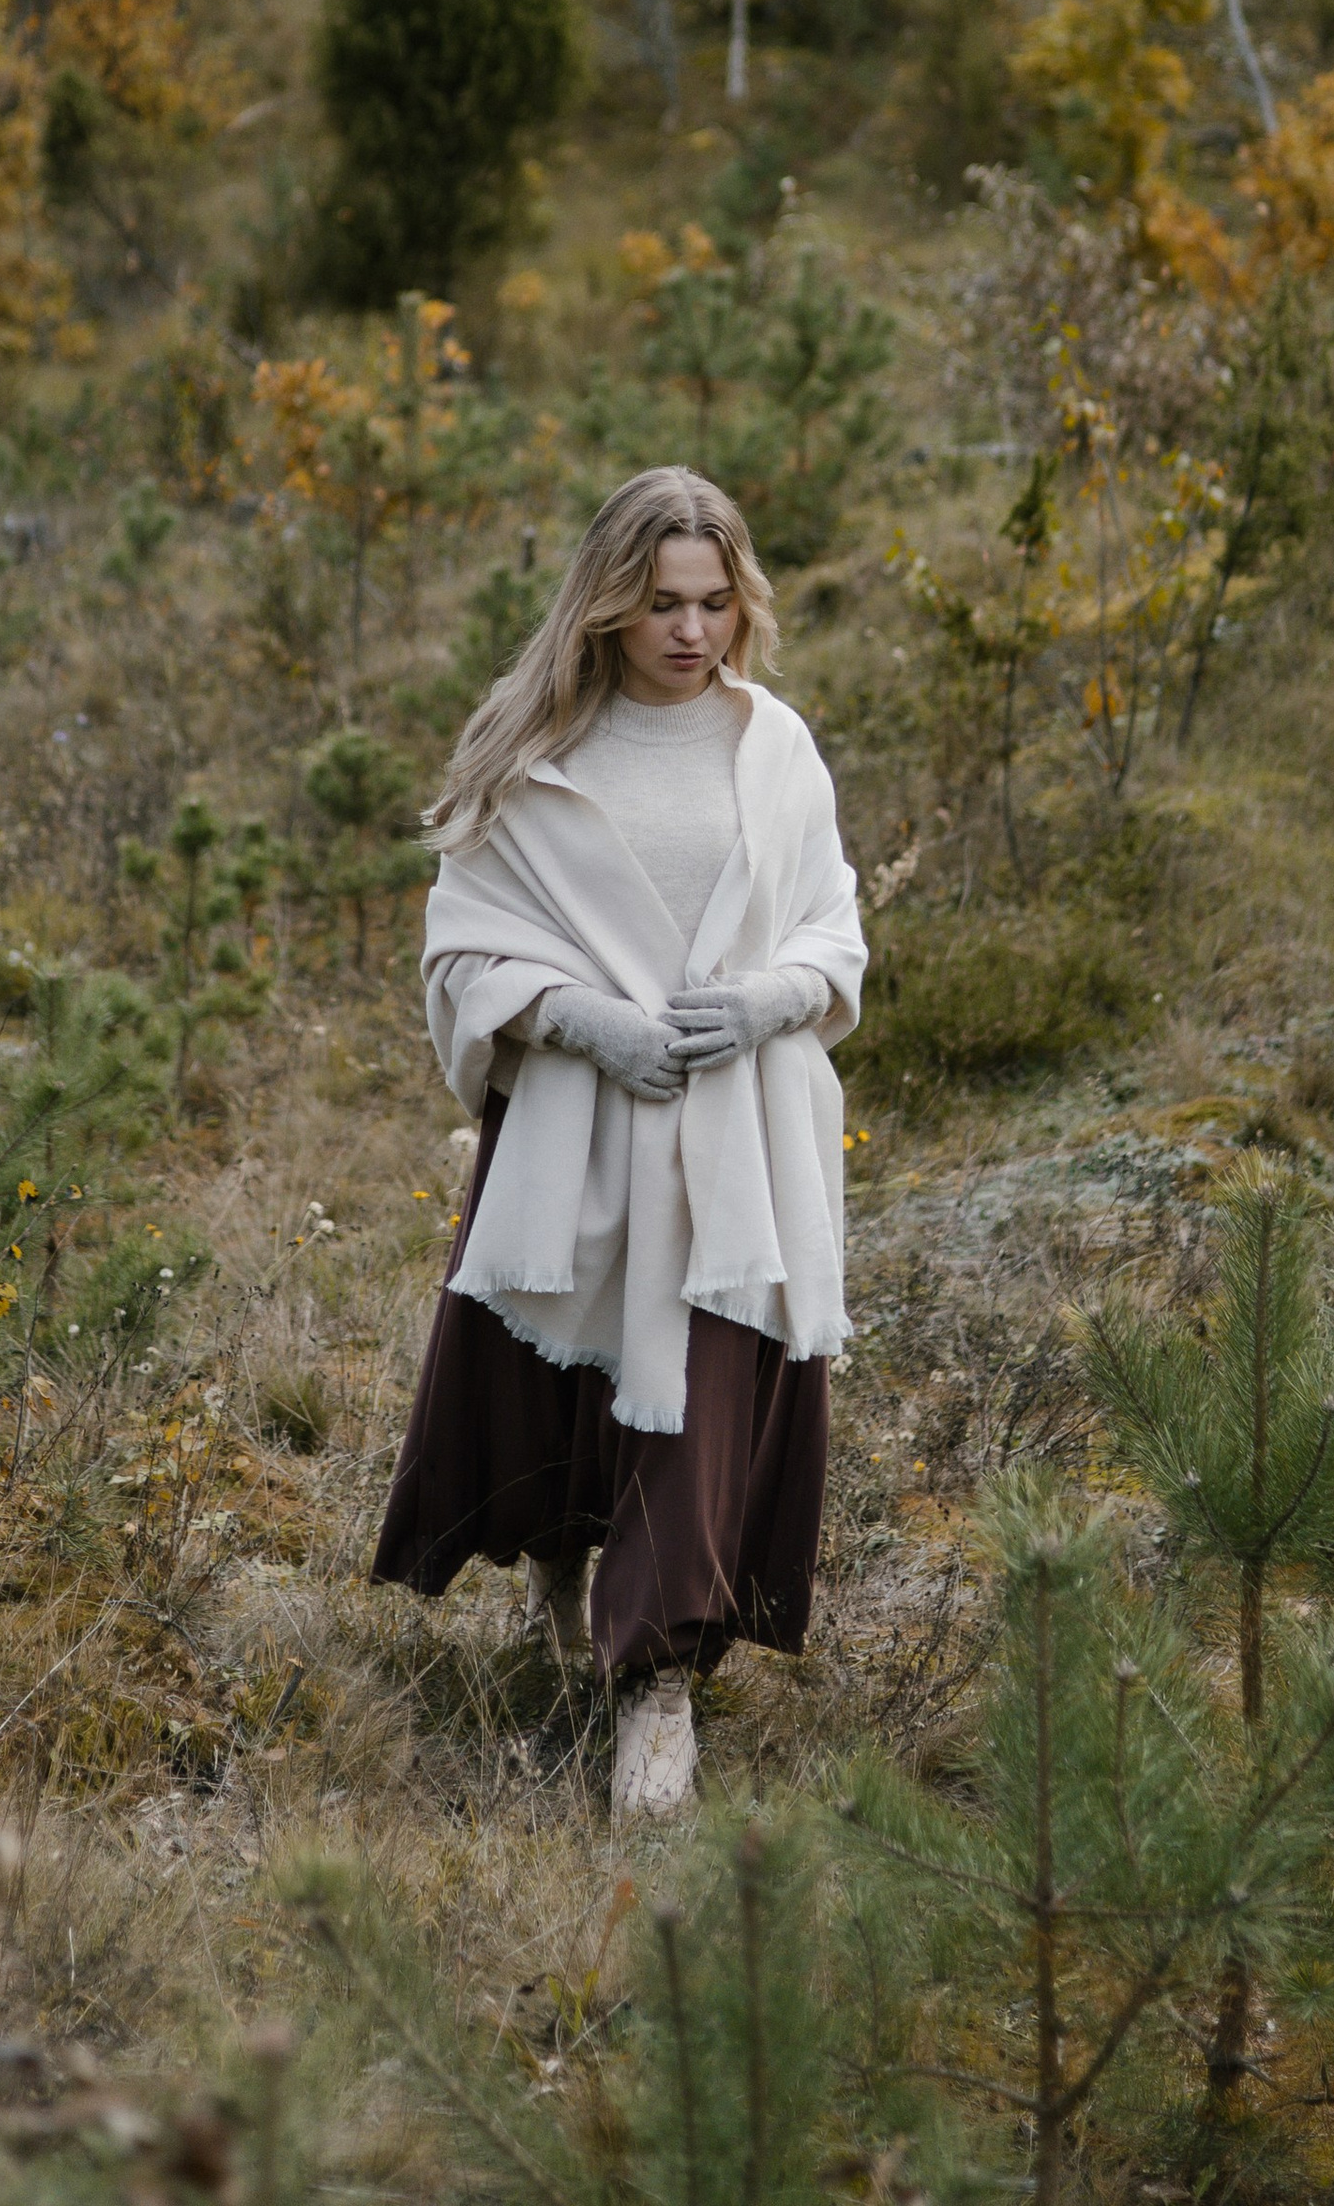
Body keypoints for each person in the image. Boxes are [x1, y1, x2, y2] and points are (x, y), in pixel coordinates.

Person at [370, 466, 865, 1822]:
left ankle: (659, 1683)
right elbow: (462, 941)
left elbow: (832, 925)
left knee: (701, 1398)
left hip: (735, 1138)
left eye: (713, 602)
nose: (690, 631)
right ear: (608, 601)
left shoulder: (776, 748)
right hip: (580, 1126)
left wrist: (773, 996)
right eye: (660, 603)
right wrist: (580, 1019)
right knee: (554, 1382)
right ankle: (556, 1571)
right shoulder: (538, 755)